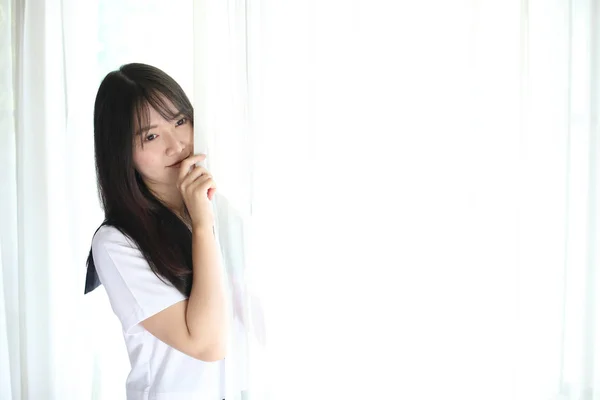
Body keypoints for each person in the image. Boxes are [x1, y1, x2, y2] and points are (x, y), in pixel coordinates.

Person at [84, 63, 230, 400]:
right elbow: (206, 344)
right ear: (121, 152)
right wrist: (201, 225)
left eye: (180, 121)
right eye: (150, 135)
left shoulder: (219, 203)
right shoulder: (116, 242)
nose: (176, 143)